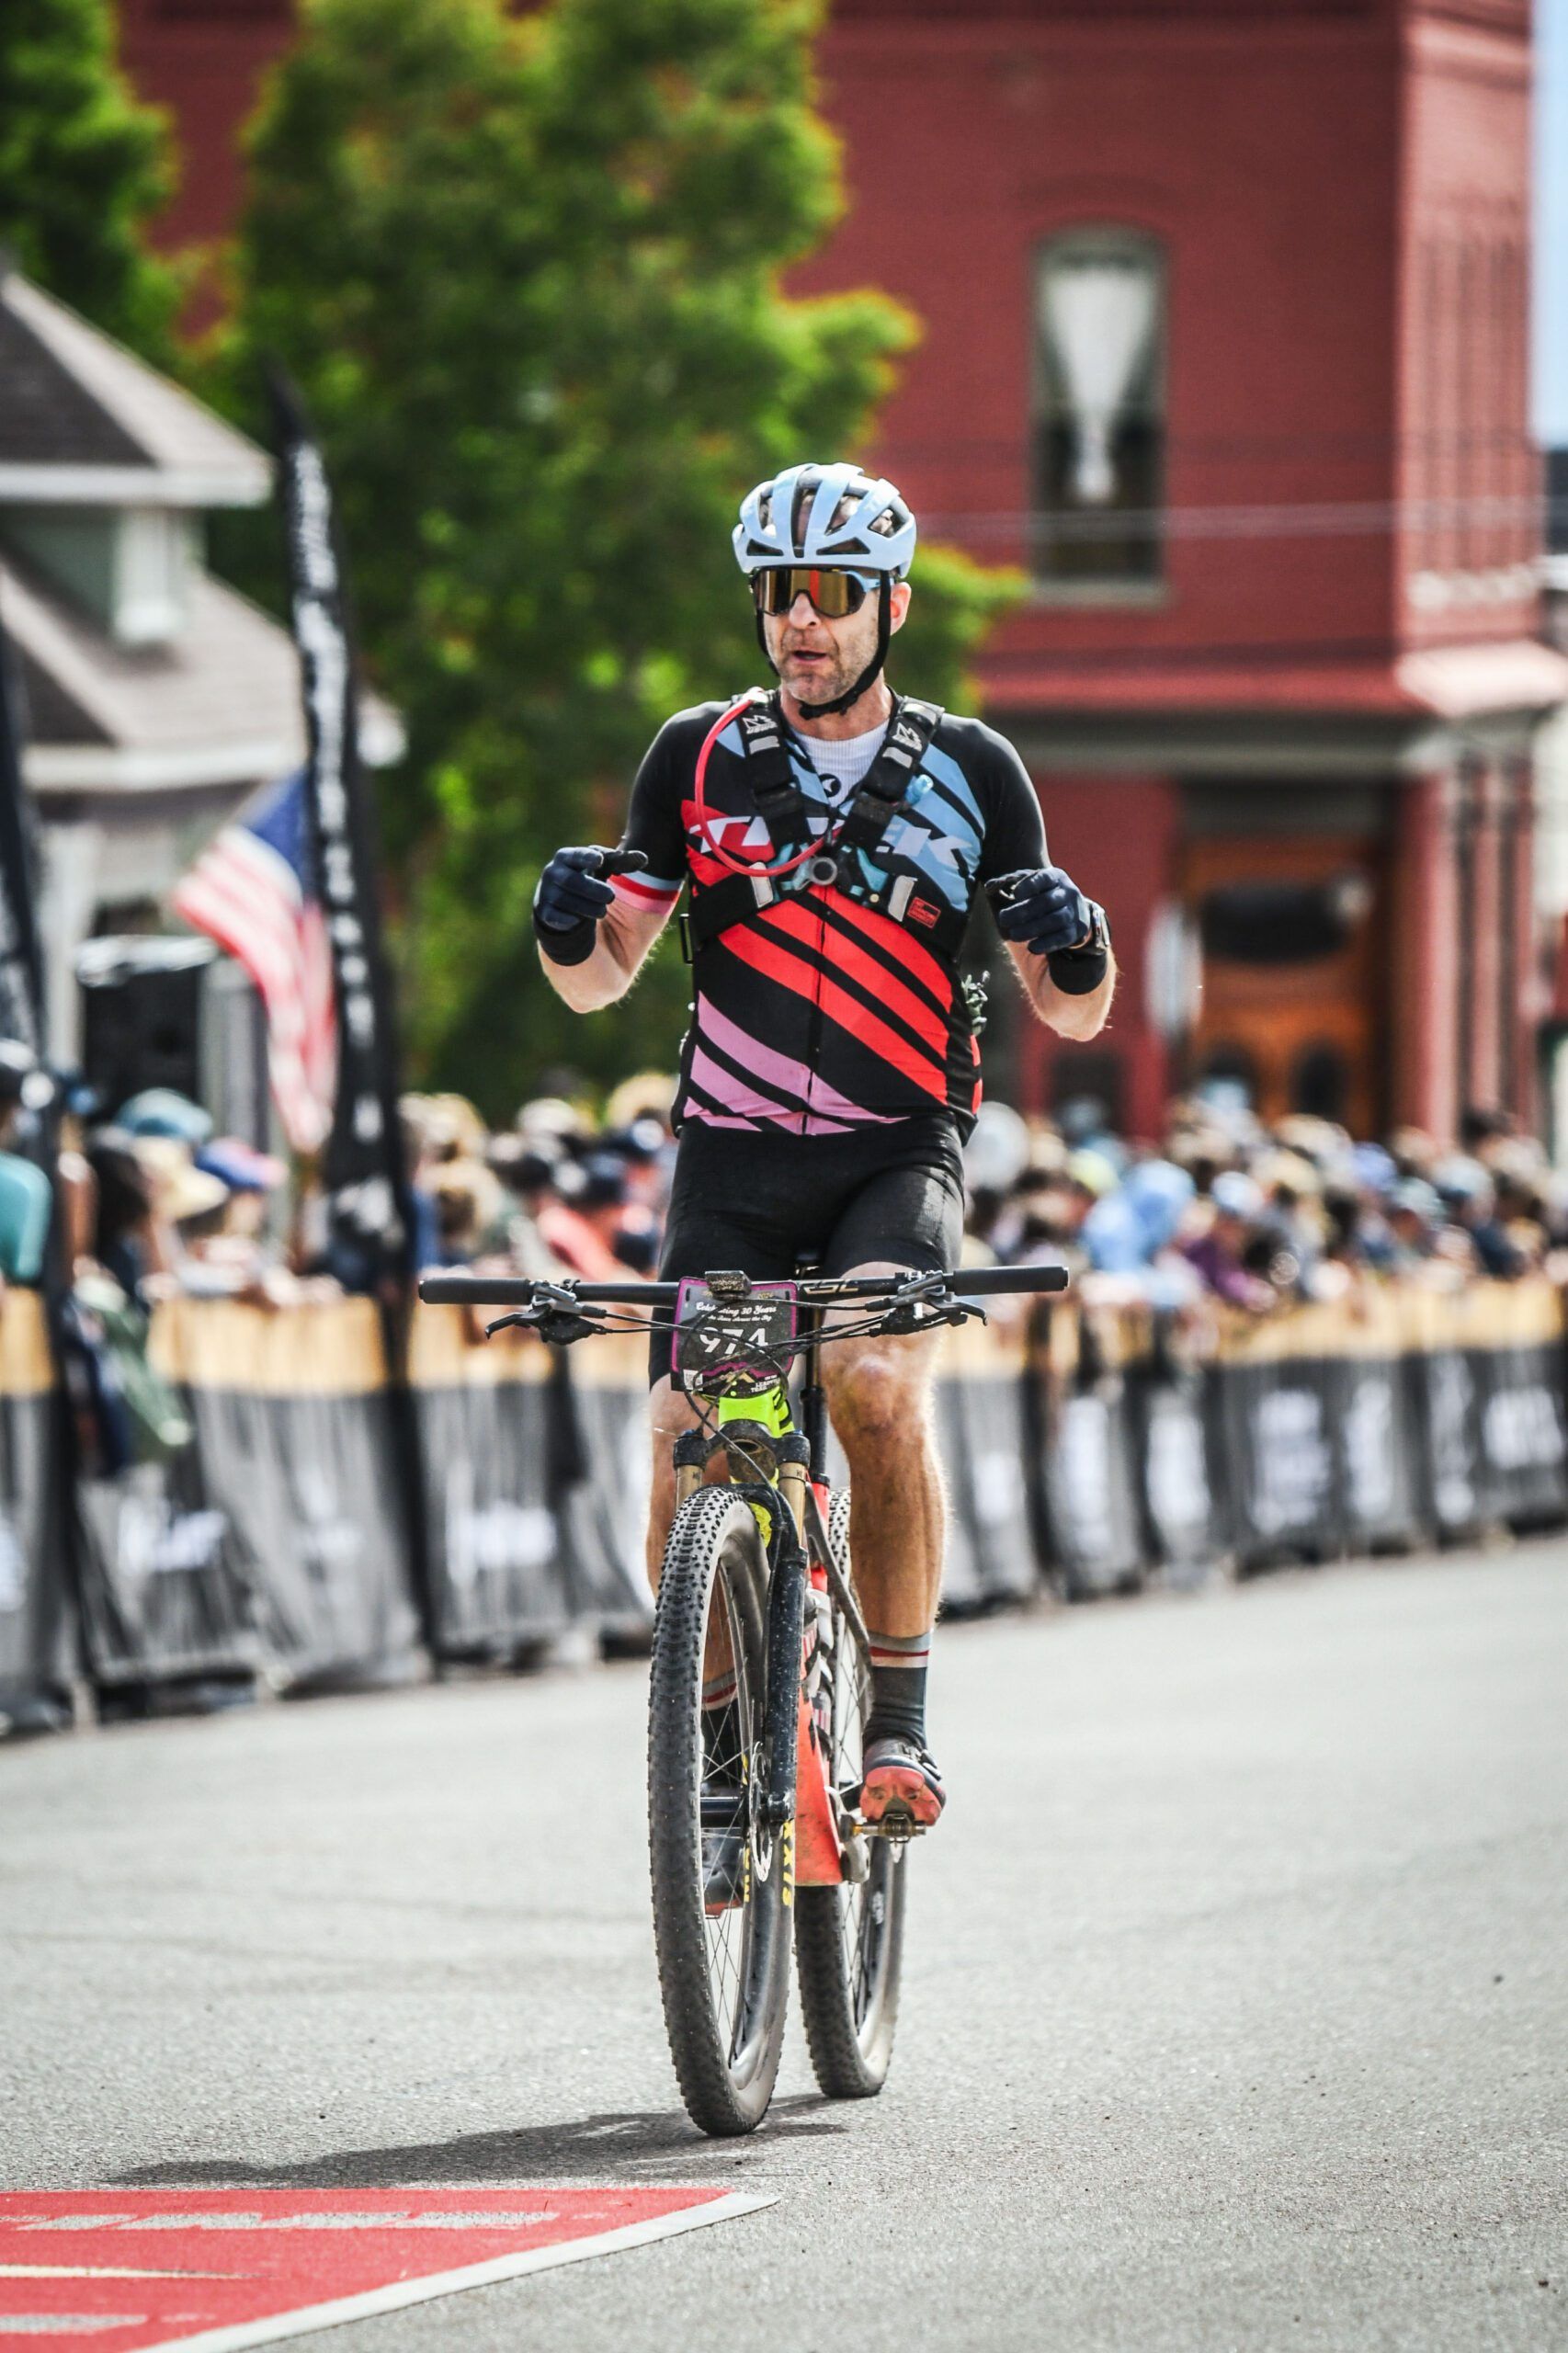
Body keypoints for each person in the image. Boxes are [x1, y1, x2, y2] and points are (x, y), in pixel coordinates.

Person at [533, 460, 1114, 1831]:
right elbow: (601, 978)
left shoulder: (973, 767)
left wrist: (1076, 937)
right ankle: (727, 1757)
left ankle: (900, 1729)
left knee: (866, 1382)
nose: (803, 620)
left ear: (889, 606)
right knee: (692, 1434)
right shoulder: (692, 754)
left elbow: (1068, 1011)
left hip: (891, 1154)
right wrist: (565, 925)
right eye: (779, 594)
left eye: (834, 594)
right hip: (731, 1158)